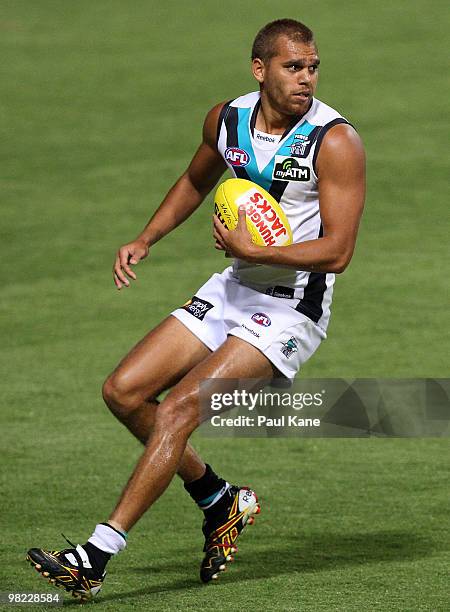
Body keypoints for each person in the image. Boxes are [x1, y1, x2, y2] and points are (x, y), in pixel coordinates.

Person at [27, 18, 365, 600]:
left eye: (312, 67)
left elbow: (338, 252)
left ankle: (94, 556)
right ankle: (219, 499)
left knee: (180, 406)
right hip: (234, 286)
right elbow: (194, 179)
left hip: (290, 310)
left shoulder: (334, 141)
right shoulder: (226, 119)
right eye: (293, 67)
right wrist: (146, 238)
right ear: (260, 70)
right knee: (124, 392)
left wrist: (257, 251)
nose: (306, 78)